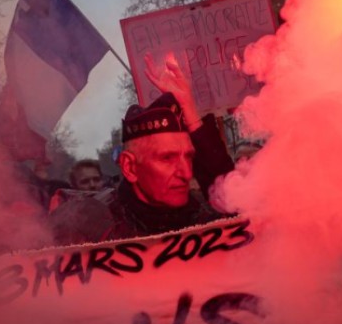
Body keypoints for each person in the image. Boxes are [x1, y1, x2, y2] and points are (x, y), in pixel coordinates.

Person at [49, 54, 234, 245]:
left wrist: (193, 115)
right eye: (167, 158)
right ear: (129, 167)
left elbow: (239, 211)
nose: (186, 173)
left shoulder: (203, 217)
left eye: (189, 157)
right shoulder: (91, 226)